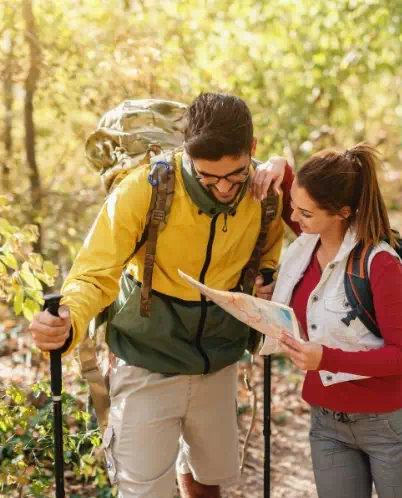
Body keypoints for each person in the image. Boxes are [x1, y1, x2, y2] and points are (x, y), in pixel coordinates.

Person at [29, 92, 293, 498]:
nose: (224, 188)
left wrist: (268, 275)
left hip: (219, 358)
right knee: (144, 491)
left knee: (208, 478)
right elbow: (95, 274)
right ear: (185, 151)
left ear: (252, 150)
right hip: (146, 357)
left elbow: (270, 247)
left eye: (235, 174)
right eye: (208, 176)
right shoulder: (146, 189)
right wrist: (67, 321)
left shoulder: (263, 194)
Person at [261, 144, 402, 498]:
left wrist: (326, 359)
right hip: (327, 424)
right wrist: (281, 166)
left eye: (304, 213)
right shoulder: (307, 245)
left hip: (392, 428)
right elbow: (300, 196)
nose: (294, 218)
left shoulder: (380, 263)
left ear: (343, 212)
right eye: (293, 206)